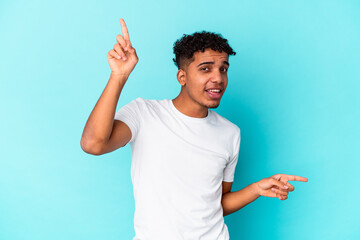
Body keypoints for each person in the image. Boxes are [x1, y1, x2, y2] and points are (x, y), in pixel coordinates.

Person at [80, 18, 308, 240]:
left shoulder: (230, 133)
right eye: (205, 69)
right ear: (182, 76)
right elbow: (93, 144)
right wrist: (119, 75)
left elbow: (216, 204)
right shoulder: (144, 114)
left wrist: (256, 189)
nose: (218, 78)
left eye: (223, 69)